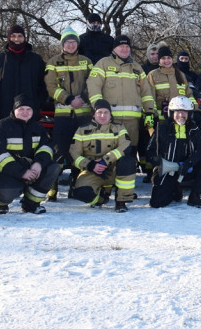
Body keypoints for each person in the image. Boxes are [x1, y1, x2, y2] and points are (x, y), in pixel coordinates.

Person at [0, 95, 60, 215]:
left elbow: (46, 148)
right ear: (14, 110)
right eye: (21, 109)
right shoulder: (2, 127)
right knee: (7, 193)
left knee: (53, 167)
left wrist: (38, 164)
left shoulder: (38, 128)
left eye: (28, 109)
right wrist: (22, 172)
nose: (25, 112)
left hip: (32, 169)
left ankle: (30, 204)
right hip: (9, 171)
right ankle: (1, 203)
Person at [44, 28, 93, 201]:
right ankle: (52, 188)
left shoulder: (87, 61)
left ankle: (76, 185)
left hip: (84, 115)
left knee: (81, 152)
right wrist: (69, 99)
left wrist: (83, 98)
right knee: (58, 152)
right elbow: (51, 86)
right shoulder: (53, 62)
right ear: (63, 44)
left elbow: (93, 82)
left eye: (73, 42)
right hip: (63, 116)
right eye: (67, 42)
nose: (71, 45)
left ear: (77, 44)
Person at [87, 35, 156, 151]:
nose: (124, 49)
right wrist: (98, 109)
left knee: (130, 151)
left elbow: (146, 92)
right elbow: (93, 87)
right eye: (121, 46)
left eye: (127, 46)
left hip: (132, 122)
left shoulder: (137, 67)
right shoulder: (103, 64)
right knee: (109, 152)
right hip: (110, 120)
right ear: (114, 48)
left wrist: (149, 112)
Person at [147, 96, 201, 208]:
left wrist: (189, 163)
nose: (181, 115)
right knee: (157, 203)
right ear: (171, 112)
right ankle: (174, 189)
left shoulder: (194, 129)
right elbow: (150, 150)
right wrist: (157, 161)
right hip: (168, 170)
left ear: (189, 114)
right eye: (177, 112)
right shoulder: (161, 129)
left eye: (184, 112)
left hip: (188, 169)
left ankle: (195, 196)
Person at [69, 99, 135, 212]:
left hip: (114, 169)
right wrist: (90, 165)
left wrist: (105, 161)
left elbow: (125, 145)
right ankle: (102, 198)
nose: (103, 115)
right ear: (94, 114)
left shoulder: (119, 128)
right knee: (80, 193)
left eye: (106, 112)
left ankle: (121, 201)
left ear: (110, 114)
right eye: (99, 112)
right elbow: (74, 153)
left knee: (128, 162)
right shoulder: (82, 130)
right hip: (92, 170)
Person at [0, 25, 47, 120]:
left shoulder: (36, 59)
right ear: (8, 38)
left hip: (29, 112)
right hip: (4, 113)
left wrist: (37, 103)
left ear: (24, 38)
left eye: (20, 36)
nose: (16, 39)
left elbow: (44, 85)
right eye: (13, 36)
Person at [147, 46, 194, 120]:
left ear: (172, 59)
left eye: (168, 58)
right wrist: (152, 114)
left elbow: (189, 95)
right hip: (161, 120)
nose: (166, 61)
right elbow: (150, 97)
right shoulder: (153, 75)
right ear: (159, 60)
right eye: (163, 58)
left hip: (179, 119)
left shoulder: (180, 74)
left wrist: (196, 109)